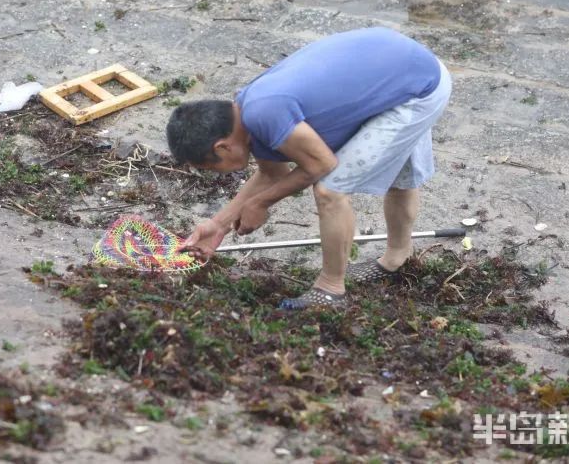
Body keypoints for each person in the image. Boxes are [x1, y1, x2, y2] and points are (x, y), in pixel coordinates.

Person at [166, 27, 452, 310]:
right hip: (400, 66)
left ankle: (330, 290)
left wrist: (262, 202)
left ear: (222, 148)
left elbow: (321, 164)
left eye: (210, 167)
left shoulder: (264, 113)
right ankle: (396, 259)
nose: (218, 173)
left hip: (417, 88)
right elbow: (271, 173)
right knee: (398, 179)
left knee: (330, 190)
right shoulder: (245, 111)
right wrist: (219, 224)